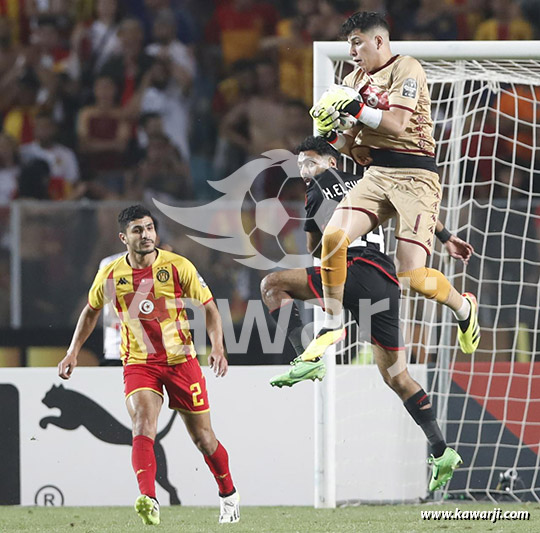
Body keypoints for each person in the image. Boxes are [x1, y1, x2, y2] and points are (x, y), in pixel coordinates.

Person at [261, 135, 467, 490]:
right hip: (384, 282)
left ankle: (304, 356)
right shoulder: (374, 180)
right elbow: (413, 204)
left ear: (332, 162)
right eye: (301, 167)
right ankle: (440, 449)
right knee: (398, 379)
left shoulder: (319, 186)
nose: (306, 171)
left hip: (350, 272)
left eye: (311, 163)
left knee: (272, 285)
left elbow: (315, 248)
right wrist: (446, 236)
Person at [306, 11, 479, 363]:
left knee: (412, 276)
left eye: (357, 42)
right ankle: (333, 322)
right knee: (333, 239)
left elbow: (398, 124)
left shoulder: (407, 68)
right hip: (377, 176)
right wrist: (330, 133)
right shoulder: (353, 79)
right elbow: (349, 143)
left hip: (417, 177)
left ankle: (463, 307)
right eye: (349, 44)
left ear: (379, 41)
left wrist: (354, 108)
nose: (352, 51)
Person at [57, 205, 240, 525]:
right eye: (138, 230)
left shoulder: (179, 265)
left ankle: (229, 496)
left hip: (181, 361)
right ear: (123, 237)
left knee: (204, 439)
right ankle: (148, 498)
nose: (146, 235)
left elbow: (209, 308)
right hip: (139, 362)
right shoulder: (111, 273)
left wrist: (218, 348)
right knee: (143, 424)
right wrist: (73, 351)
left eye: (149, 228)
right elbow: (90, 311)